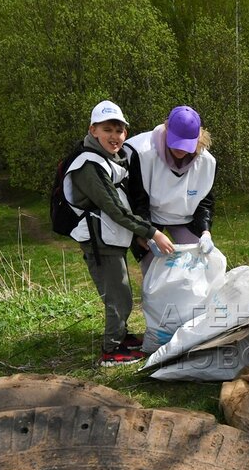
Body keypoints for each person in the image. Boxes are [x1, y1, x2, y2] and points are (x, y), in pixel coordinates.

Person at [64, 100, 174, 366]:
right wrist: (152, 233)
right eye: (107, 130)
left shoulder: (110, 157)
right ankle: (111, 350)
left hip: (111, 238)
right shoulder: (88, 164)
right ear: (93, 130)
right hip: (99, 242)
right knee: (118, 297)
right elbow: (115, 209)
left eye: (119, 130)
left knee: (121, 292)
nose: (115, 136)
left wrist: (138, 233)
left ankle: (121, 336)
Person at [126, 105, 217, 270]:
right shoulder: (141, 153)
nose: (181, 149)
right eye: (177, 142)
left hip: (184, 217)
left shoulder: (207, 162)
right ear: (166, 129)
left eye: (186, 144)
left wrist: (205, 232)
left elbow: (204, 201)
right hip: (149, 216)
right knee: (154, 267)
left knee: (200, 261)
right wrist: (145, 234)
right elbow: (136, 200)